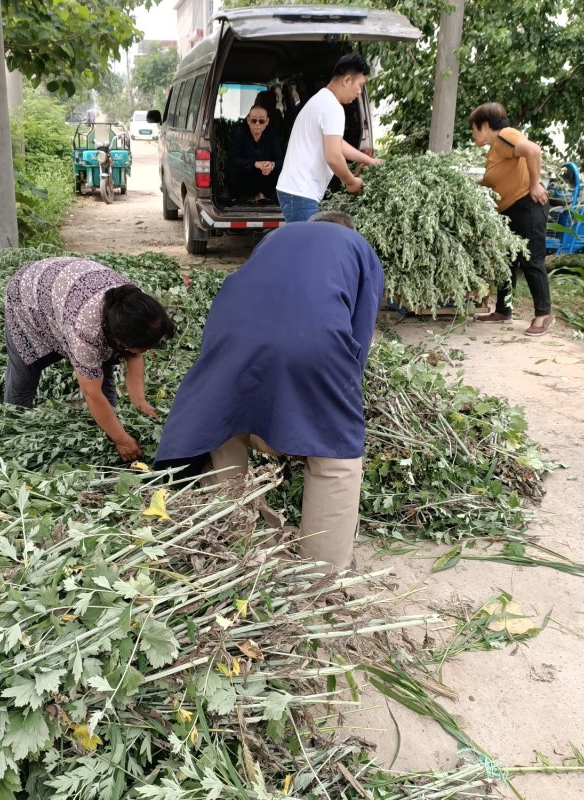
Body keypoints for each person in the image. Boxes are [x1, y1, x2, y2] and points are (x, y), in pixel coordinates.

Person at [154, 217, 384, 574]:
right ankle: (323, 568)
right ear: (350, 229)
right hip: (313, 341)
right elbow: (360, 330)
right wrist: (333, 403)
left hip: (231, 331)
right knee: (334, 455)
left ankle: (223, 535)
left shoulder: (275, 237)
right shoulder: (359, 249)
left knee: (226, 419)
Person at [4, 256, 175, 461]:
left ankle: (105, 430)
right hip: (27, 297)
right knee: (25, 371)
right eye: (143, 347)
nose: (145, 352)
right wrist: (121, 439)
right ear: (119, 339)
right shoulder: (87, 331)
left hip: (67, 292)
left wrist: (139, 401)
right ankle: (12, 433)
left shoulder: (137, 307)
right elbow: (91, 392)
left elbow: (135, 356)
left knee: (102, 366)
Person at [469, 103, 554, 336]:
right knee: (505, 262)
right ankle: (503, 310)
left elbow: (533, 151)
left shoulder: (506, 135)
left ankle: (544, 314)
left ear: (485, 126)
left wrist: (535, 184)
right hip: (510, 212)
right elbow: (497, 179)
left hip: (527, 205)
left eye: (474, 129)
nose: (473, 134)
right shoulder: (496, 149)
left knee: (531, 260)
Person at [276, 53, 381, 223]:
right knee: (308, 248)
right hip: (300, 193)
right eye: (360, 85)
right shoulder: (332, 107)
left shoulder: (322, 100)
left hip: (295, 191)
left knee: (305, 246)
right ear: (347, 80)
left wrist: (369, 161)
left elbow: (338, 143)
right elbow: (333, 157)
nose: (360, 92)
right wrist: (351, 181)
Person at [227, 104, 285, 202]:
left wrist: (272, 165)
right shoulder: (240, 135)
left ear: (267, 122)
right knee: (233, 171)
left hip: (267, 179)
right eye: (254, 120)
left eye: (261, 121)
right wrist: (255, 164)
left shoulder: (272, 136)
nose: (257, 124)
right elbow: (233, 160)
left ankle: (267, 197)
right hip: (246, 179)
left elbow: (282, 160)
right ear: (248, 121)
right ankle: (239, 199)